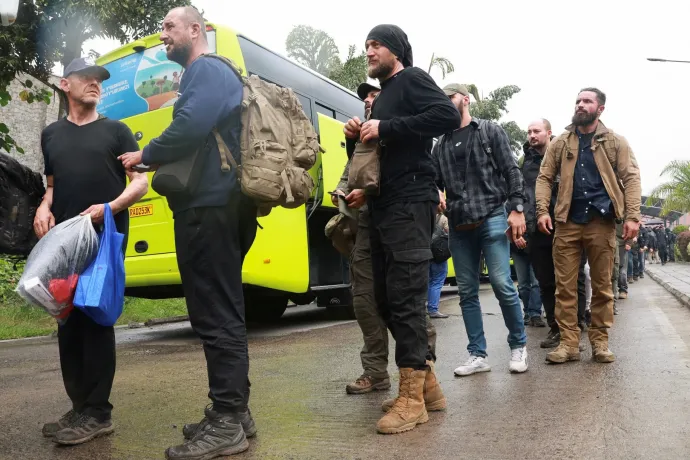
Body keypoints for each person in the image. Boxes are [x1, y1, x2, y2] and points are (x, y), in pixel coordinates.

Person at [119, 7, 258, 458]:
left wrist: (146, 153)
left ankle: (228, 421)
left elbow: (191, 124)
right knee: (223, 310)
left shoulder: (206, 69)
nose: (163, 36)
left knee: (215, 314)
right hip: (218, 206)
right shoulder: (213, 74)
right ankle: (236, 413)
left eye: (169, 27)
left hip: (209, 208)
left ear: (195, 30)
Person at [343, 24, 459, 434]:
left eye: (375, 45)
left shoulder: (410, 79)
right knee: (383, 296)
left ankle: (412, 400)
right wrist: (359, 136)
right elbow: (385, 153)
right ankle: (426, 387)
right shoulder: (383, 97)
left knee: (407, 296)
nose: (369, 52)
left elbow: (446, 114)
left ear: (396, 50)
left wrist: (386, 127)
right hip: (382, 204)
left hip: (411, 202)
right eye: (366, 46)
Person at [36, 57, 148, 445]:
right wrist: (43, 206)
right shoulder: (50, 134)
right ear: (66, 85)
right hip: (64, 241)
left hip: (103, 239)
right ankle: (80, 405)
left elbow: (140, 183)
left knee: (96, 317)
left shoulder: (116, 131)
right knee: (67, 320)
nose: (96, 84)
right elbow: (52, 186)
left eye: (99, 79)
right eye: (87, 78)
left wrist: (109, 208)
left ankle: (99, 412)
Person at [335, 82, 440, 396]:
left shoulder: (403, 132)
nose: (369, 99)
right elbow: (353, 174)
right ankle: (376, 372)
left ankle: (423, 373)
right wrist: (351, 146)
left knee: (406, 300)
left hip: (400, 222)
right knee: (368, 301)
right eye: (365, 96)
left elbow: (409, 176)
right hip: (368, 227)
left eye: (374, 94)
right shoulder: (365, 137)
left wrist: (366, 192)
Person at [536, 87, 641, 364]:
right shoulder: (561, 142)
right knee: (565, 287)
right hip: (567, 222)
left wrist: (632, 216)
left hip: (601, 221)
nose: (581, 105)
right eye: (578, 101)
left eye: (587, 101)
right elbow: (545, 177)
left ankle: (600, 342)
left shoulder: (615, 142)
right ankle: (569, 343)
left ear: (600, 109)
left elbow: (630, 177)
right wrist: (542, 211)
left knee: (603, 285)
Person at [433, 83, 528, 376]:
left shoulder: (489, 130)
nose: (447, 103)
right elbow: (436, 180)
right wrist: (436, 192)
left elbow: (511, 170)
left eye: (450, 97)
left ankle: (518, 345)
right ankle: (478, 355)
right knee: (467, 292)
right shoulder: (442, 144)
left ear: (465, 99)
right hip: (460, 225)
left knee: (501, 283)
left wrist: (517, 209)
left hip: (492, 216)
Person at [520, 120, 588, 348]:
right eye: (529, 132)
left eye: (536, 131)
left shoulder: (564, 155)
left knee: (572, 279)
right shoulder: (526, 165)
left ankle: (575, 326)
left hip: (567, 226)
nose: (532, 135)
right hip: (538, 232)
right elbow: (524, 197)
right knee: (546, 282)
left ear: (549, 133)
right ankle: (555, 328)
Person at [428, 211, 450, 319]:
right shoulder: (443, 218)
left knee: (428, 281)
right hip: (438, 255)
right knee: (437, 281)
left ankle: (425, 309)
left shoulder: (423, 215)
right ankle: (432, 309)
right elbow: (449, 233)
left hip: (425, 254)